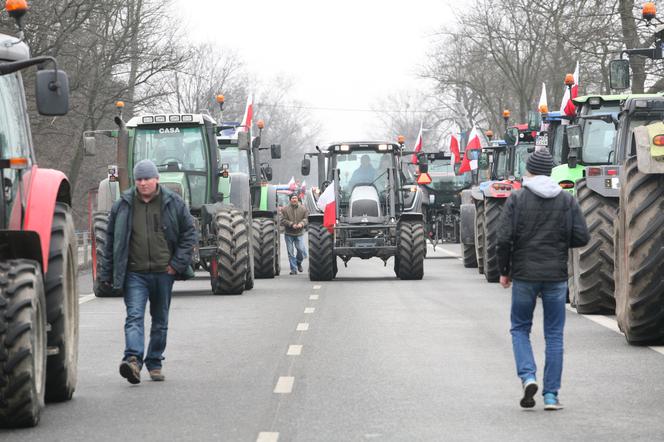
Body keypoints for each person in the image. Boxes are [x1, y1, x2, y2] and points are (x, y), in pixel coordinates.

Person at [496, 149, 589, 411]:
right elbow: (581, 237)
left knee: (520, 328)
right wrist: (559, 244)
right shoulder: (566, 200)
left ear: (530, 170)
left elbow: (503, 239)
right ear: (549, 171)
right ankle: (550, 396)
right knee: (554, 335)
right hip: (555, 276)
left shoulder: (517, 199)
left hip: (525, 275)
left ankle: (528, 377)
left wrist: (504, 270)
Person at [99, 159, 197, 384]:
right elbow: (111, 242)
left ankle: (154, 361)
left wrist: (176, 265)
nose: (143, 183)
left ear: (156, 179)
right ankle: (133, 360)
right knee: (134, 316)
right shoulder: (122, 205)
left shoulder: (174, 203)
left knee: (160, 320)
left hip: (165, 272)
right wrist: (105, 275)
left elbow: (189, 235)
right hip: (135, 273)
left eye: (147, 179)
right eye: (139, 179)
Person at [280, 193, 308, 275]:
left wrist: (301, 224)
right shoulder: (285, 209)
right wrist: (291, 224)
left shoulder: (303, 209)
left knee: (301, 250)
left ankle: (298, 262)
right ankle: (293, 269)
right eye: (292, 198)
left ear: (298, 199)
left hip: (299, 233)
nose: (294, 200)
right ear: (290, 200)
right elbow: (282, 220)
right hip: (289, 233)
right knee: (290, 252)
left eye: (295, 198)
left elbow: (306, 219)